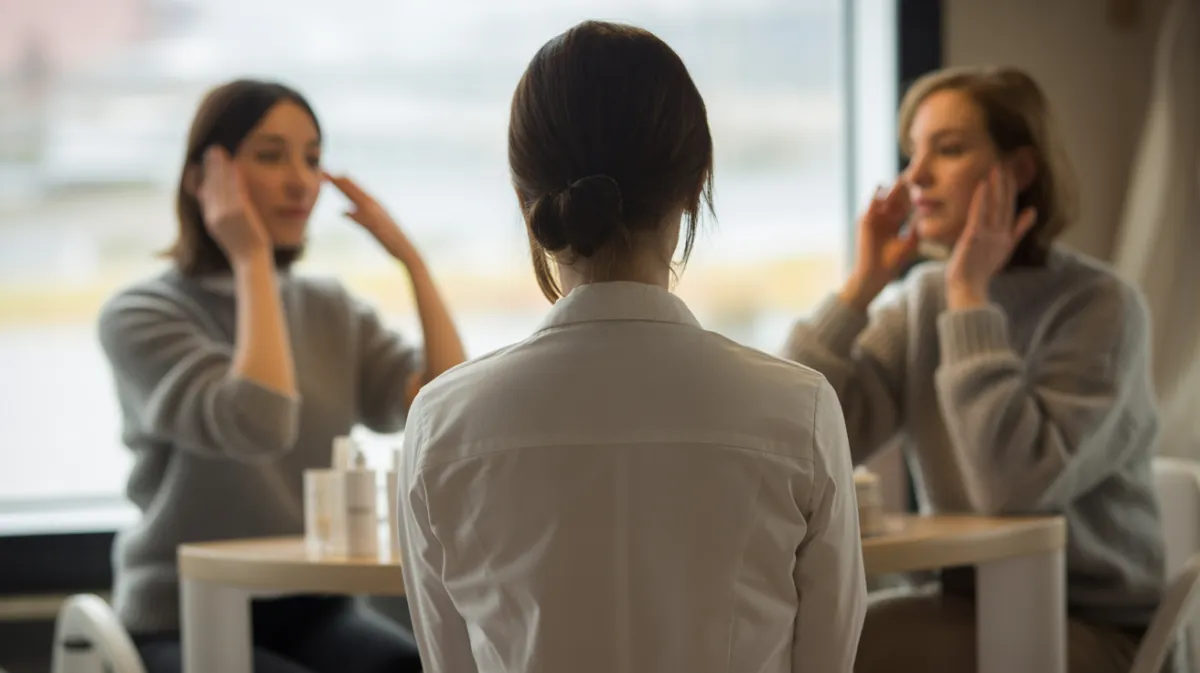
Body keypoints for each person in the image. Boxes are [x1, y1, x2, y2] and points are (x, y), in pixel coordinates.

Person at [396, 20, 866, 673]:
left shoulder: (440, 423)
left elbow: (449, 660)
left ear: (525, 195)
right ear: (696, 185)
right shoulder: (799, 409)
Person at [784, 65, 1170, 673]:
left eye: (949, 149)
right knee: (811, 635)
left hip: (1092, 626)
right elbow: (798, 434)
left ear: (1017, 172)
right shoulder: (921, 299)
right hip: (971, 610)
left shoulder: (1102, 309)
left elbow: (1010, 487)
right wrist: (862, 287)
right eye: (912, 154)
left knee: (845, 650)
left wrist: (969, 296)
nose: (916, 178)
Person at [98, 79, 467, 673]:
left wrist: (413, 262)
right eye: (271, 156)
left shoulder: (331, 308)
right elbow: (259, 422)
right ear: (203, 179)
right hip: (179, 612)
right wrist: (249, 257)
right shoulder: (141, 314)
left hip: (313, 610)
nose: (301, 181)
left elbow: (444, 406)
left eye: (313, 159)